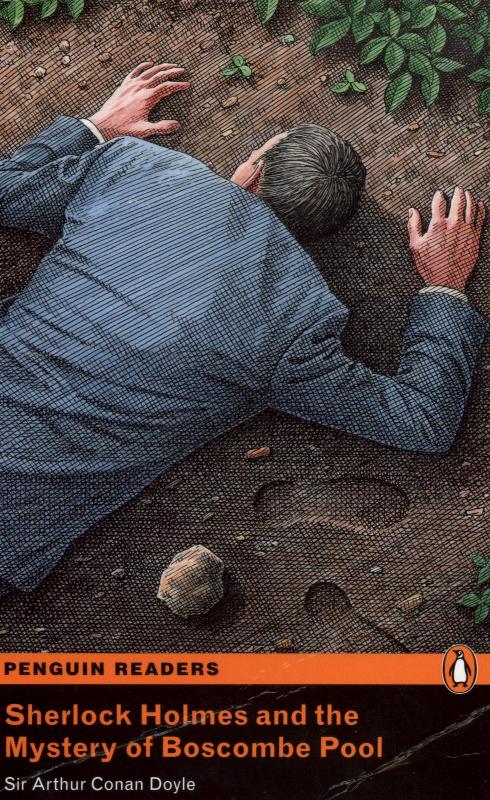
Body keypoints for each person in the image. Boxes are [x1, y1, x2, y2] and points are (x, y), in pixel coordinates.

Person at [0, 62, 486, 594]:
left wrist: (96, 129)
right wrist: (445, 287)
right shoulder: (298, 326)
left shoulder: (133, 168)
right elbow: (422, 420)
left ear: (255, 170)